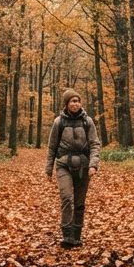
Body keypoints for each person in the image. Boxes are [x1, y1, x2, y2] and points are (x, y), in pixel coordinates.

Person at [45, 89, 101, 248]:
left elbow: (95, 144)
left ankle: (77, 235)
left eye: (77, 101)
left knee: (79, 203)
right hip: (63, 165)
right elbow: (52, 147)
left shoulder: (87, 121)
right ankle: (67, 235)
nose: (75, 104)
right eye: (72, 101)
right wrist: (48, 169)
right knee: (67, 198)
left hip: (84, 166)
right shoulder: (59, 122)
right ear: (66, 104)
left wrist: (93, 165)